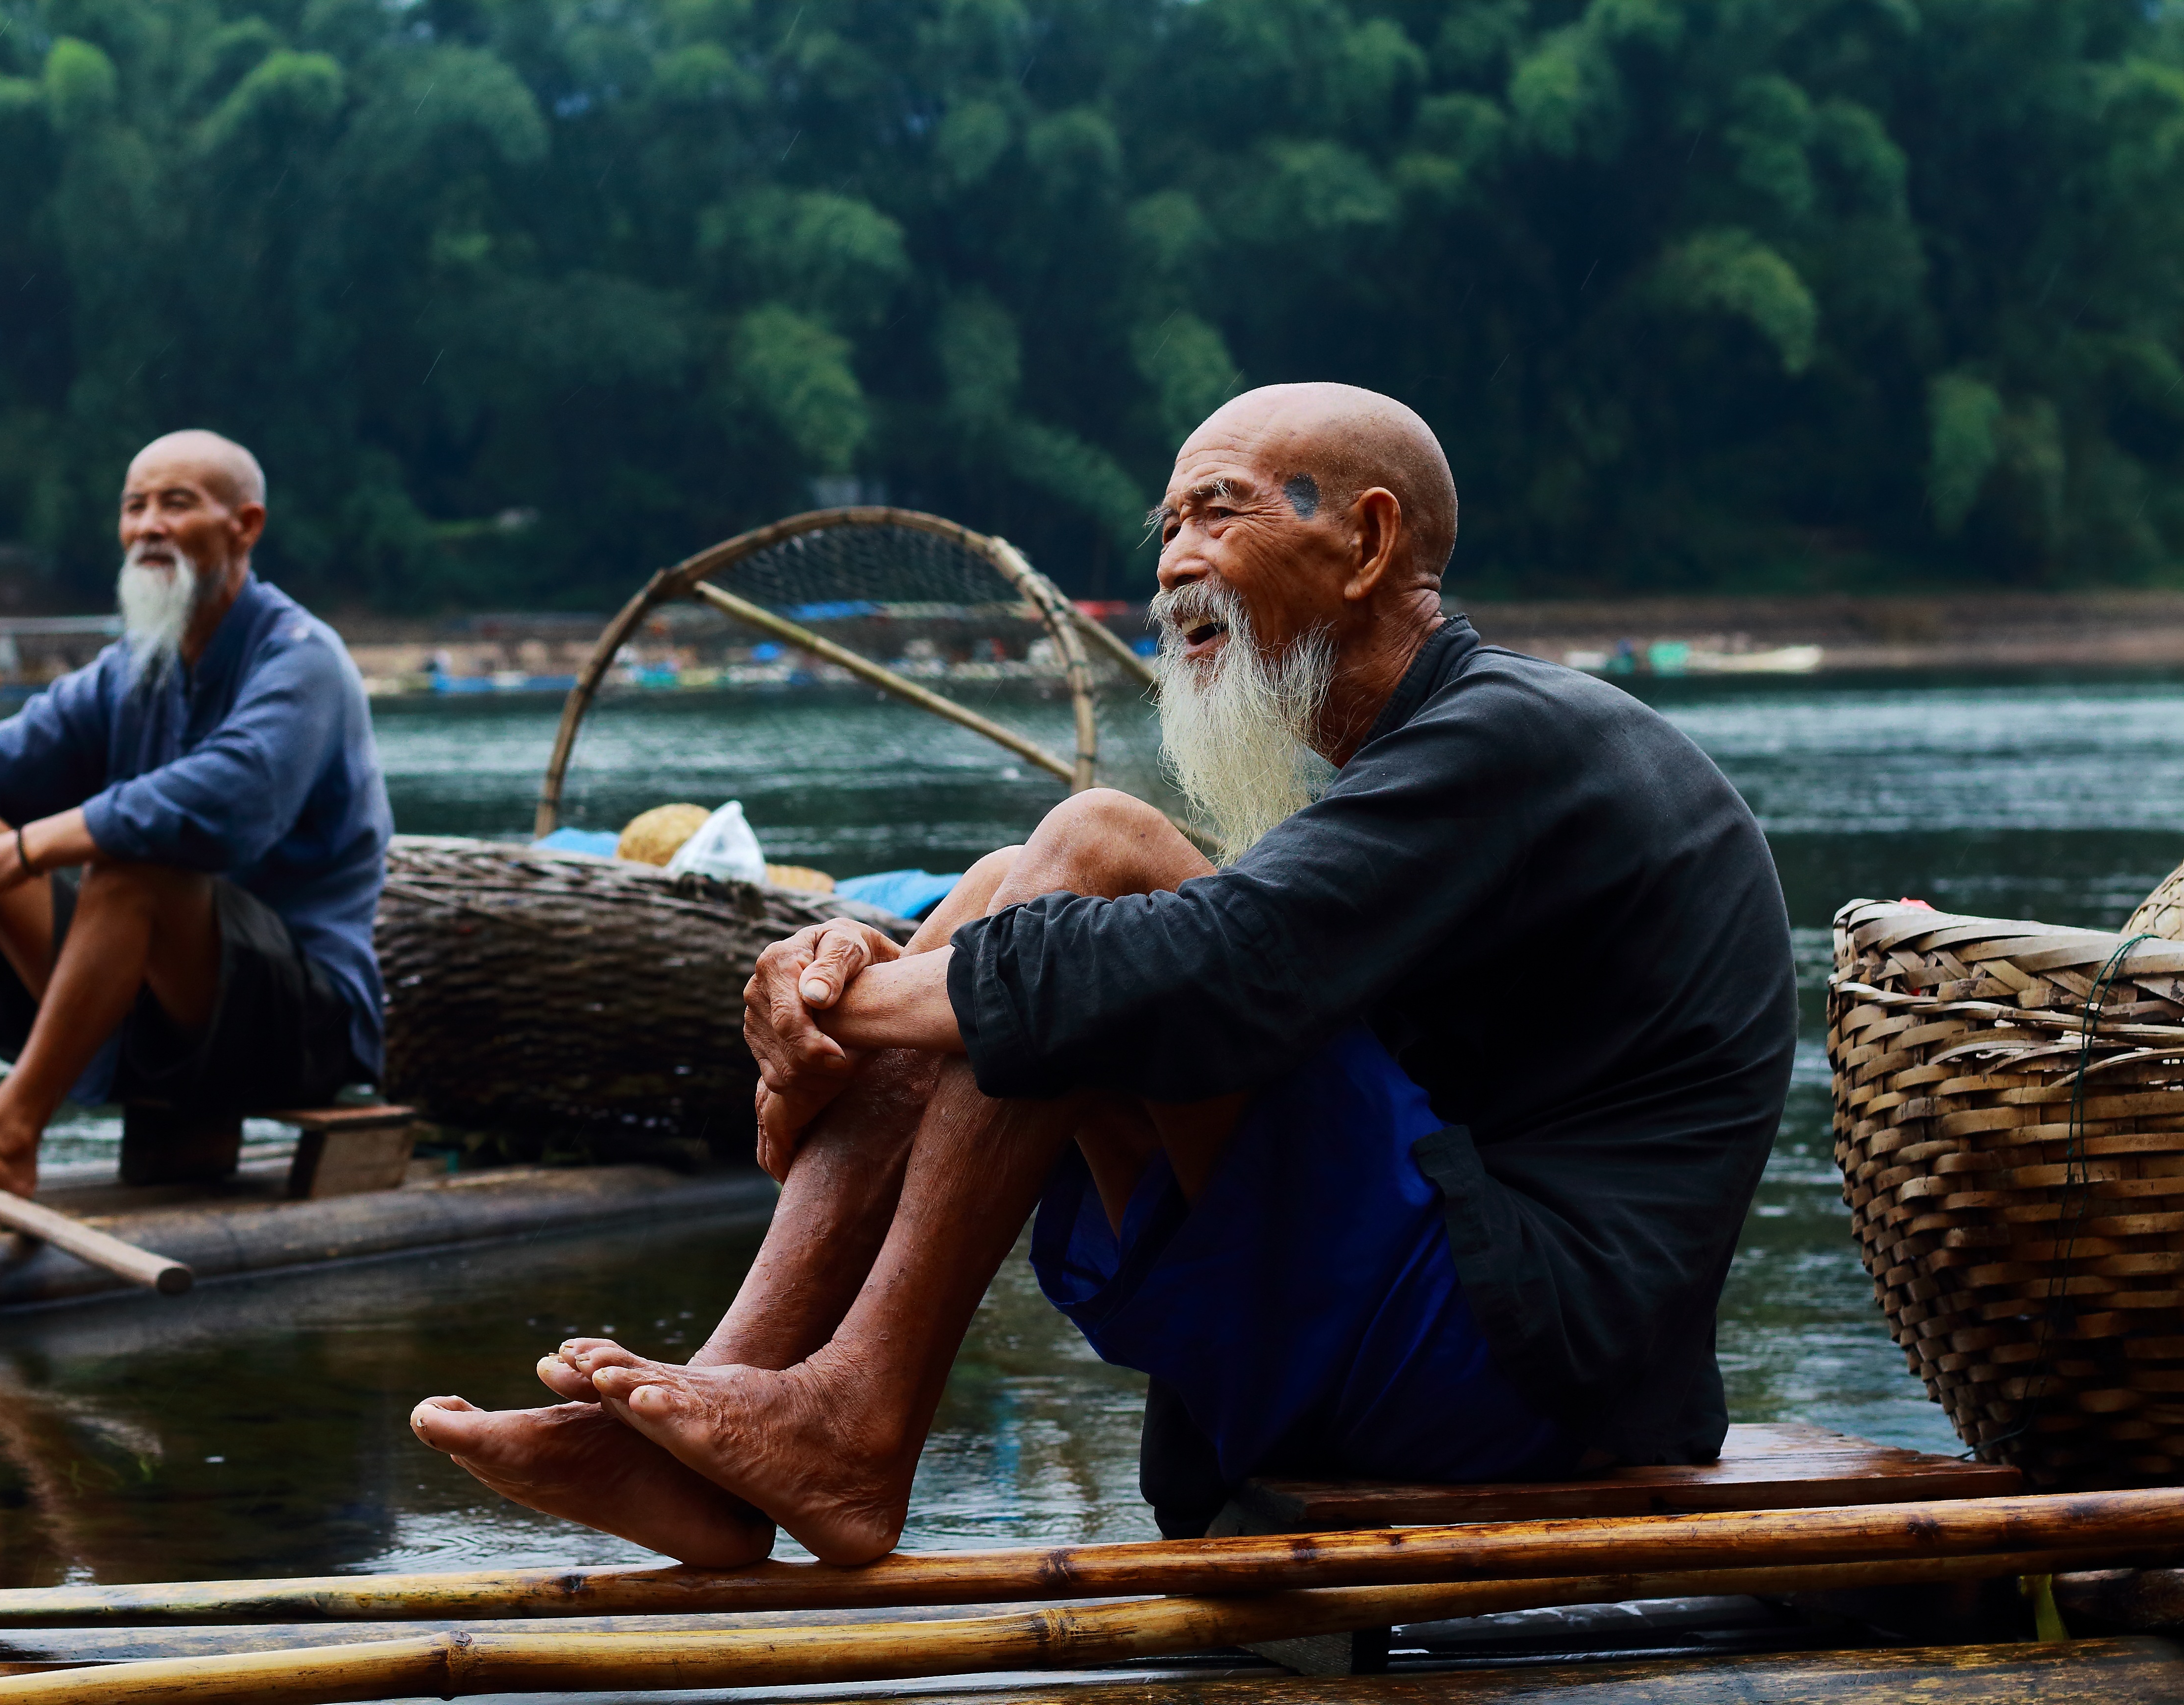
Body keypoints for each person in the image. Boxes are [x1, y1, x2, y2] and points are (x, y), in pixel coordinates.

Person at [410, 383, 1794, 1566]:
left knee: (1094, 845)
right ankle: (729, 1409)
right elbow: (1205, 962)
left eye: (1221, 512)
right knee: (1024, 886)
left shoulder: (1515, 739)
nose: (1173, 565)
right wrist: (871, 958)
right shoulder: (1407, 770)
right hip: (1439, 1318)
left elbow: (1228, 961)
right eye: (1167, 528)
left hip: (1535, 1365)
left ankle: (859, 1422)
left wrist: (859, 1008)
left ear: (1368, 542)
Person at [0, 430, 392, 1198]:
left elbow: (221, 803)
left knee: (135, 861)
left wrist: (28, 851)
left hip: (299, 1028)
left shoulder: (303, 657)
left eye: (178, 504)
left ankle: (9, 1135)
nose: (149, 527)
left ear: (246, 527)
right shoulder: (132, 667)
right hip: (160, 1015)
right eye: (135, 507)